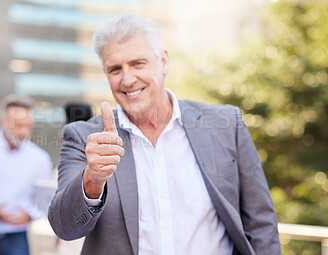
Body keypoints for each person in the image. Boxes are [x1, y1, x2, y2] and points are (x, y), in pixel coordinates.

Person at [48, 13, 281, 255]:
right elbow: (64, 228)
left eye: (138, 63)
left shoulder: (225, 124)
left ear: (163, 62)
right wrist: (92, 179)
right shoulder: (84, 138)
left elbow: (261, 223)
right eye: (115, 69)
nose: (127, 79)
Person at [0, 94, 53, 255]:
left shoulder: (39, 159)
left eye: (28, 126)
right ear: (1, 121)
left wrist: (29, 215)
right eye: (18, 125)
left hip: (17, 236)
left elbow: (45, 200)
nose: (23, 132)